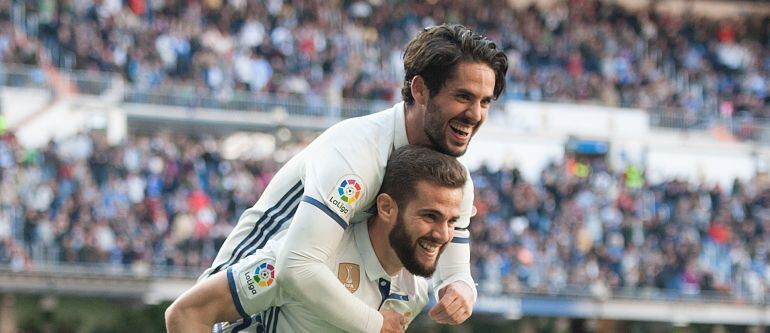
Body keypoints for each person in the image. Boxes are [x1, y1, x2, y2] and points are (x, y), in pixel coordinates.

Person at [199, 23, 508, 332]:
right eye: (463, 97)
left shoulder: (454, 181)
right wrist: (373, 324)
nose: (476, 114)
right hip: (241, 315)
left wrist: (463, 290)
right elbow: (296, 266)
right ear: (420, 90)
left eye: (485, 102)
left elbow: (454, 273)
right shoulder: (357, 152)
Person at [167, 145, 467, 333]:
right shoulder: (306, 260)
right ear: (386, 207)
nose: (443, 235)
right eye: (430, 216)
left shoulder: (413, 291)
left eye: (452, 221)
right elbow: (187, 314)